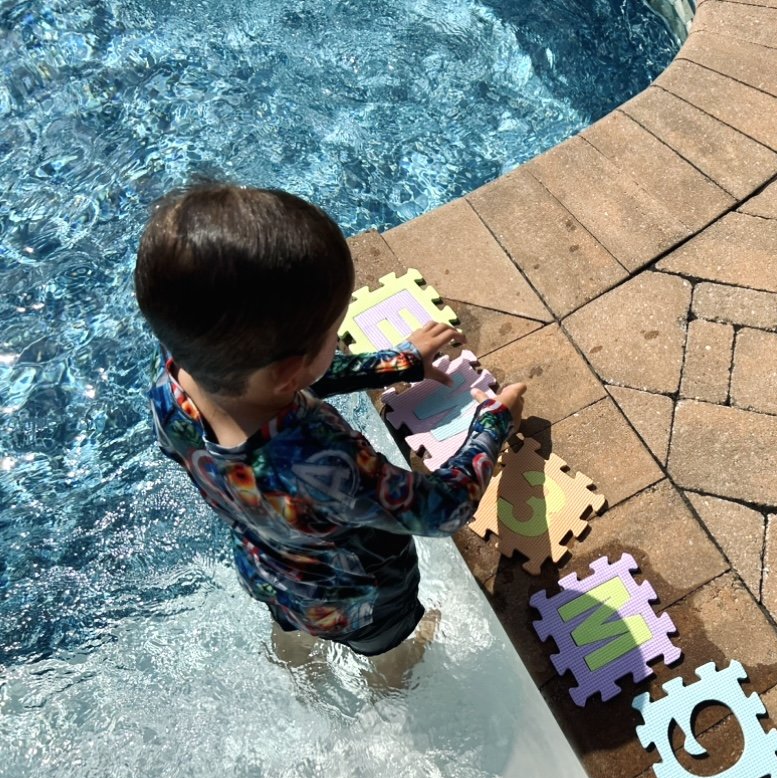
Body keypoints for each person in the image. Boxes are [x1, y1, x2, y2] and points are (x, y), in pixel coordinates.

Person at [134, 182, 526, 672]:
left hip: (267, 572)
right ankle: (391, 674)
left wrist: (398, 364)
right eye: (331, 336)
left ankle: (299, 664)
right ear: (289, 372)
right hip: (361, 604)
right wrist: (492, 423)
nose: (336, 344)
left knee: (293, 629)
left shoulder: (171, 387)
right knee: (392, 652)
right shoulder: (320, 460)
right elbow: (441, 510)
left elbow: (292, 382)